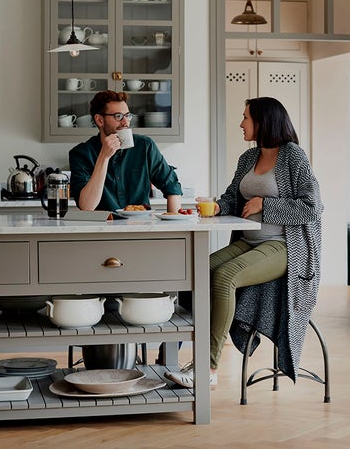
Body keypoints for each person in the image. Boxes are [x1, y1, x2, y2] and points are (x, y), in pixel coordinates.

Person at [165, 96, 323, 388]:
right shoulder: (248, 158)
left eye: (245, 117)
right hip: (248, 241)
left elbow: (312, 207)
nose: (241, 123)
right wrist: (213, 205)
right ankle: (192, 354)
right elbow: (232, 198)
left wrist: (266, 203)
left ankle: (208, 368)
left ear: (264, 121)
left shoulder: (293, 156)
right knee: (194, 270)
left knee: (224, 277)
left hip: (283, 246)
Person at [69, 90, 182, 213]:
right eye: (118, 116)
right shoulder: (81, 154)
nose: (125, 122)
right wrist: (104, 156)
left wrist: (172, 221)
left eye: (127, 115)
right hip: (103, 227)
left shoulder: (144, 146)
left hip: (141, 225)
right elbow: (86, 206)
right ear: (99, 120)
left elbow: (172, 186)